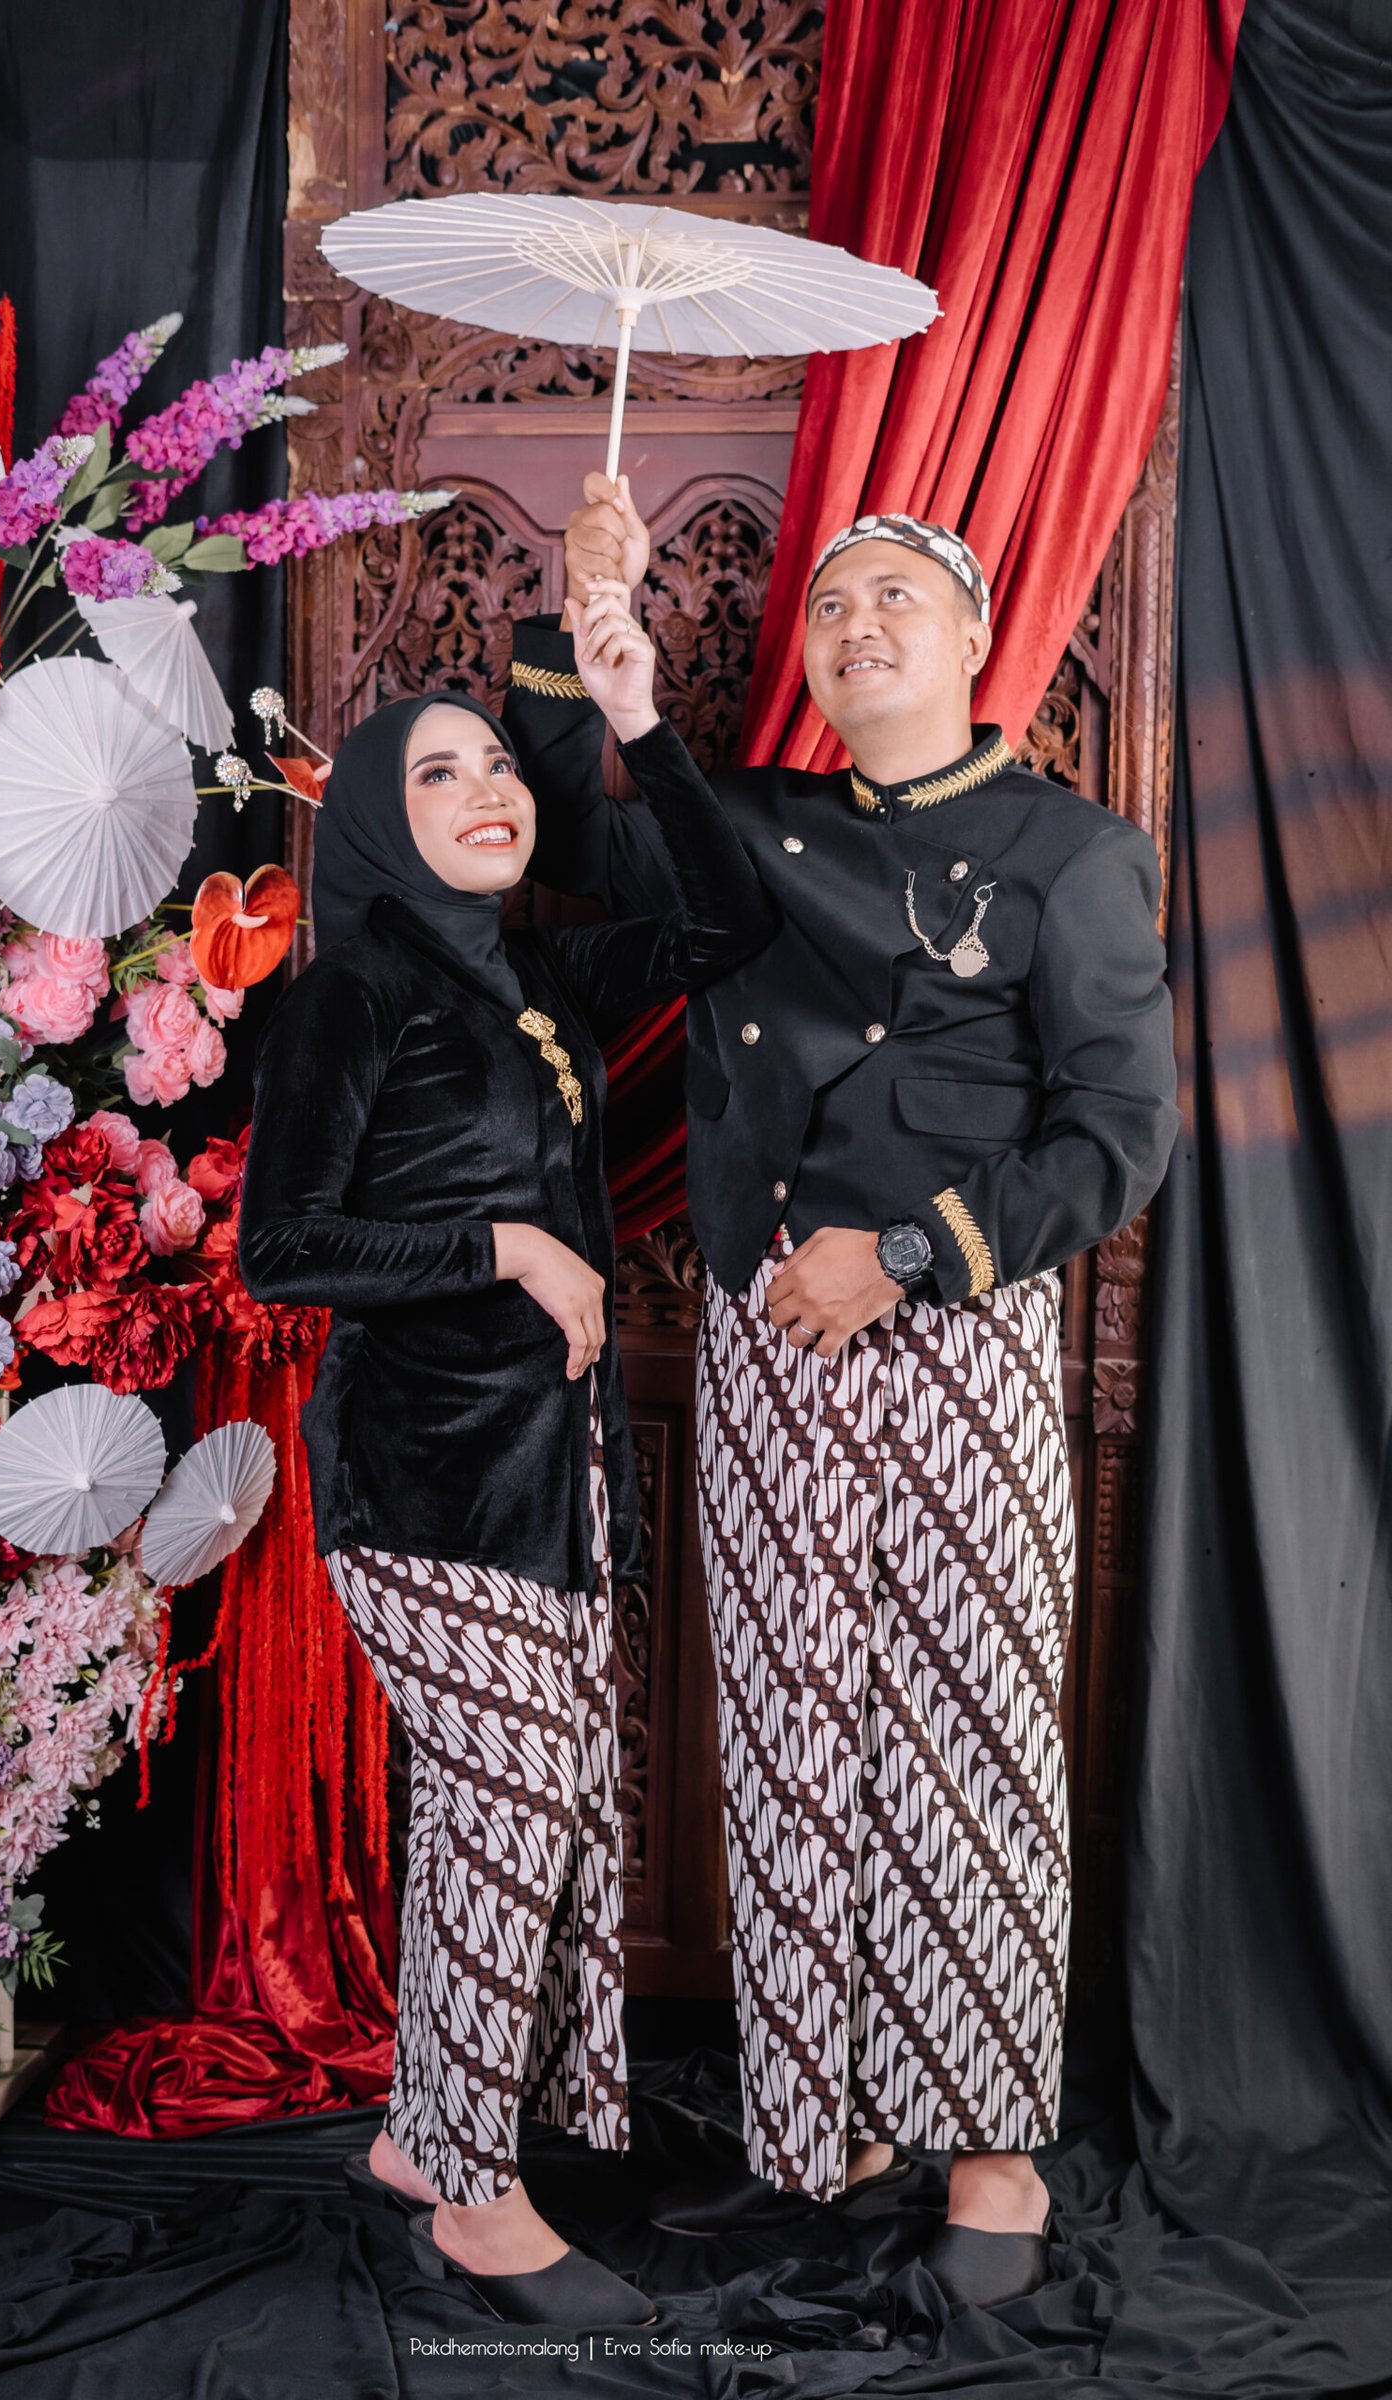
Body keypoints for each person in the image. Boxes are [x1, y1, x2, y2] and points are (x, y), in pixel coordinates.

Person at [498, 479, 1179, 2308]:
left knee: (967, 1741)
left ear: (975, 639)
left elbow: (1118, 1136)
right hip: (762, 1341)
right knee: (790, 1738)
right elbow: (572, 832)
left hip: (956, 1336)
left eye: (895, 599)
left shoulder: (1072, 853)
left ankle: (993, 2158)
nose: (856, 626)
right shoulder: (753, 827)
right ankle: (822, 2130)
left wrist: (909, 1255)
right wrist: (584, 622)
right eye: (830, 607)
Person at [238, 585, 773, 2328]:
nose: (487, 791)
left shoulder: (537, 970)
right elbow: (279, 1250)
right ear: (377, 820)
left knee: (531, 1820)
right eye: (439, 771)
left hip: (555, 1474)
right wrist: (506, 1248)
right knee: (510, 1811)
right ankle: (475, 2198)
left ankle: (430, 2139)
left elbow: (729, 918)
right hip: (420, 1479)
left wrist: (634, 723)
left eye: (498, 766)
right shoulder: (350, 993)